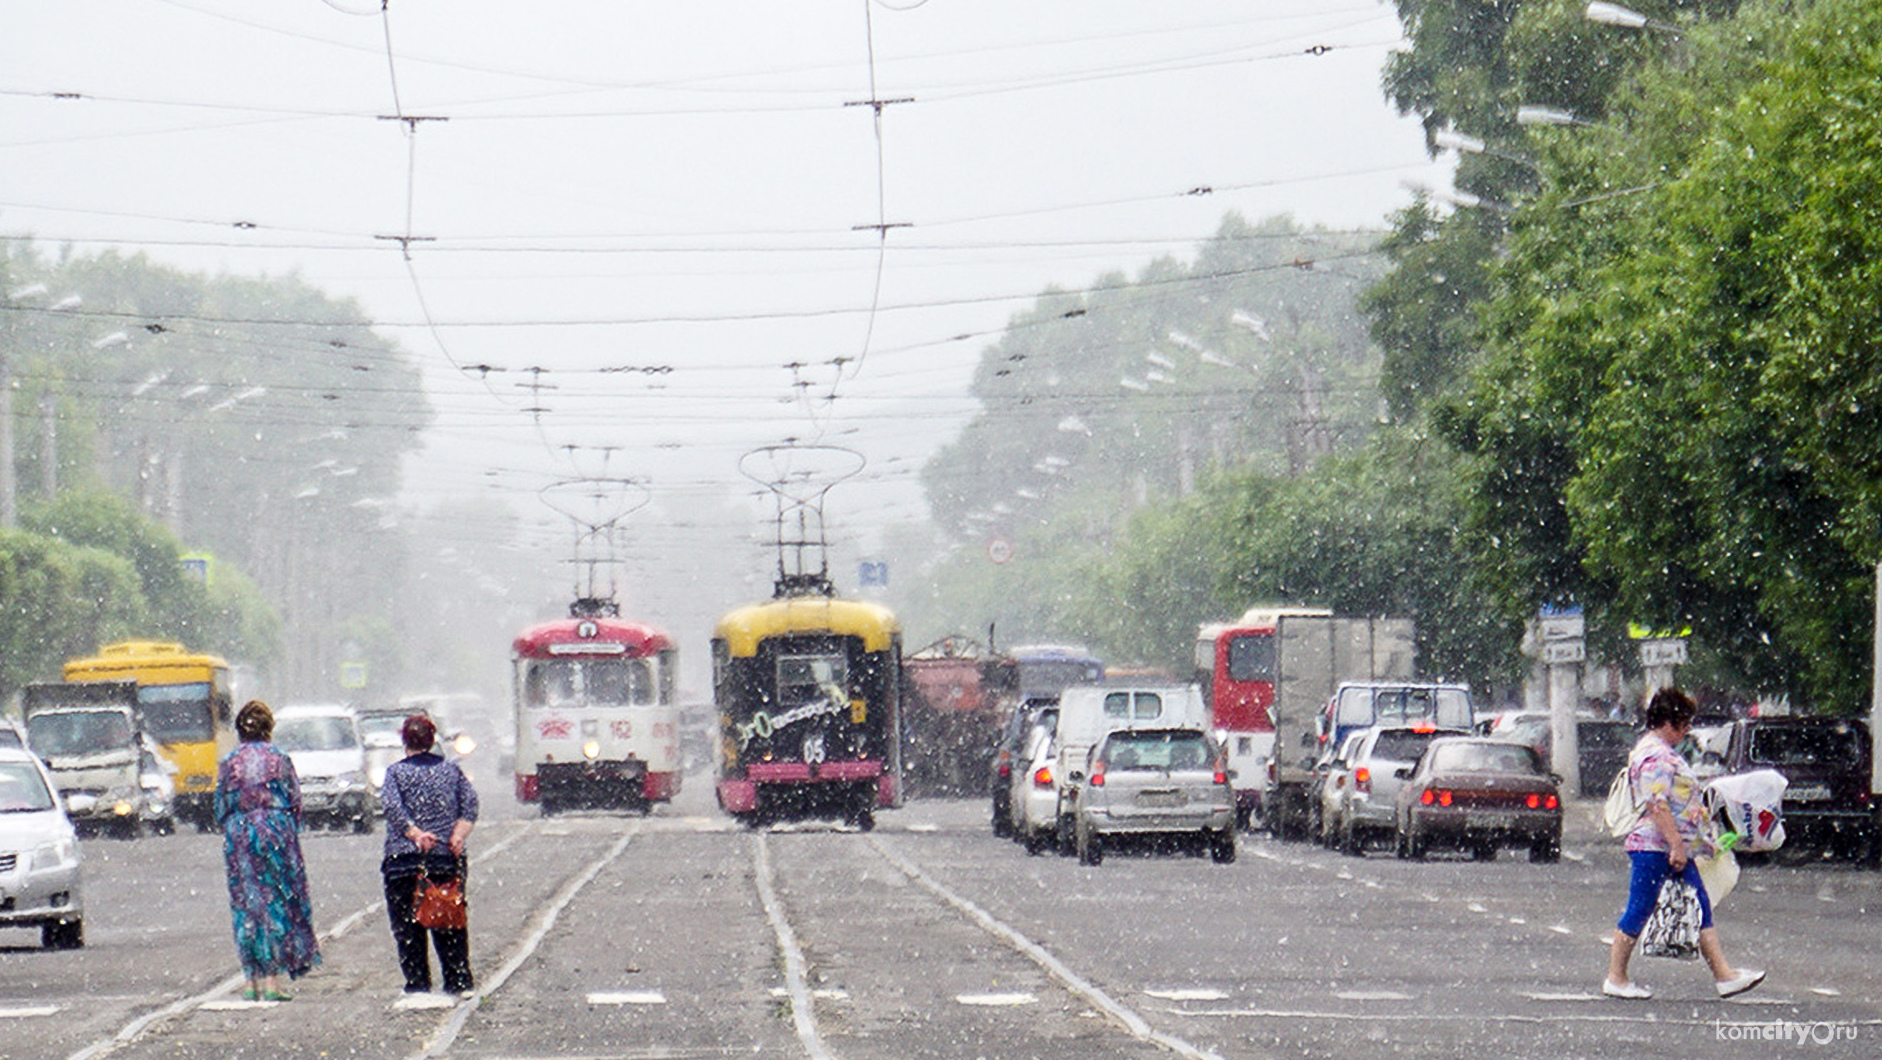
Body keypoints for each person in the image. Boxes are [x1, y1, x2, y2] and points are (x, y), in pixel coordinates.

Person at [1603, 687, 1763, 1000]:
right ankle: (1616, 977)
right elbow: (1657, 804)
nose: (1686, 731)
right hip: (1656, 846)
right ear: (1668, 722)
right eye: (1683, 724)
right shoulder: (1656, 755)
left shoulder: (1659, 752)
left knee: (1699, 905)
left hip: (1672, 847)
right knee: (1640, 907)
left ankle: (1724, 975)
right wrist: (1676, 844)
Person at [214, 700, 321, 1001]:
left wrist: (238, 823)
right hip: (276, 831)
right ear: (269, 728)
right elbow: (295, 801)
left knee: (247, 904)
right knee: (276, 901)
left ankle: (252, 980)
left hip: (240, 834)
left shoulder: (229, 762)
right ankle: (274, 981)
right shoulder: (280, 758)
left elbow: (220, 806)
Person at [380, 713, 479, 996]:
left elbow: (392, 807)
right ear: (433, 740)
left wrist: (415, 834)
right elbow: (470, 804)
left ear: (404, 741)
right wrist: (457, 835)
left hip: (404, 863)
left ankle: (418, 982)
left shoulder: (396, 773)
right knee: (448, 920)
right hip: (444, 861)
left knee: (407, 927)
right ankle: (458, 979)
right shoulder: (451, 770)